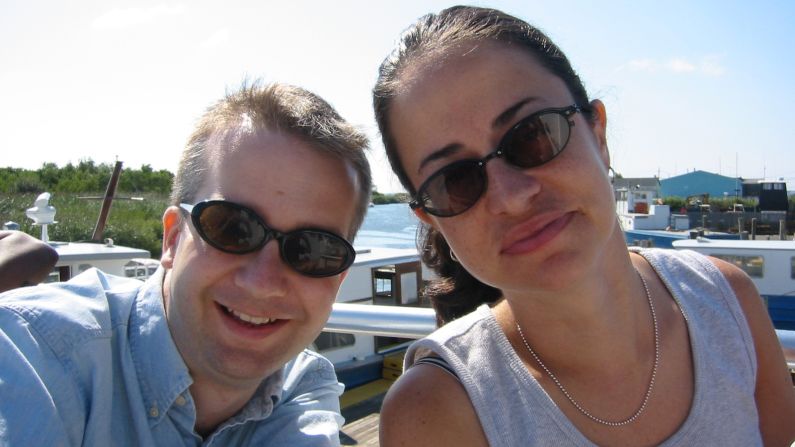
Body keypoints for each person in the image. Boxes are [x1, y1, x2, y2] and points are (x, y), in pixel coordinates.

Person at [373, 6, 795, 446]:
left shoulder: (726, 301)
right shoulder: (435, 412)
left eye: (532, 134)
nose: (511, 197)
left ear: (599, 134)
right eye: (455, 181)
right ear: (433, 220)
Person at [0, 81, 371, 445]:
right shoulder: (29, 354)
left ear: (337, 279)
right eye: (232, 228)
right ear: (173, 238)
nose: (263, 281)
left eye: (314, 249)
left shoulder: (303, 384)